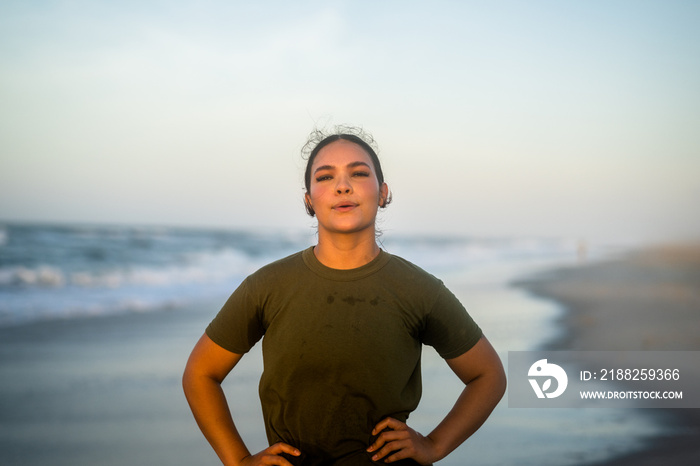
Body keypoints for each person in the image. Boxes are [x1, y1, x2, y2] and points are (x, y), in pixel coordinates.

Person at [183, 127, 506, 466]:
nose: (342, 185)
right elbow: (200, 373)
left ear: (382, 193)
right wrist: (238, 461)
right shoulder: (267, 286)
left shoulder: (418, 289)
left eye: (359, 173)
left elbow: (488, 375)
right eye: (325, 177)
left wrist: (435, 445)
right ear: (309, 199)